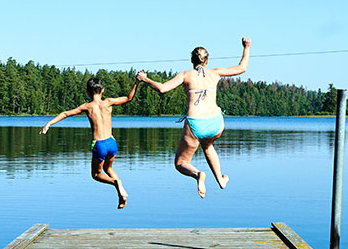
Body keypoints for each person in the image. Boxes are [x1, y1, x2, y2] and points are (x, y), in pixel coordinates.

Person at [137, 37, 250, 198]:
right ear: (207, 61)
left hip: (196, 124)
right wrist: (247, 47)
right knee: (208, 146)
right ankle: (220, 180)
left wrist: (144, 79)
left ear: (192, 60)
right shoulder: (215, 73)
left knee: (181, 163)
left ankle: (198, 175)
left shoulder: (186, 75)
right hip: (216, 123)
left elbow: (162, 89)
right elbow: (242, 68)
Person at [41, 77, 138, 208]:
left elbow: (65, 114)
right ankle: (121, 194)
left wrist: (49, 124)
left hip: (99, 145)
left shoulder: (87, 107)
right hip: (112, 143)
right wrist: (137, 82)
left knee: (96, 175)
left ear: (87, 92)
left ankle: (116, 183)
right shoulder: (108, 102)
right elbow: (129, 98)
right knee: (108, 168)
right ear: (102, 90)